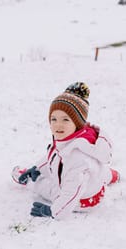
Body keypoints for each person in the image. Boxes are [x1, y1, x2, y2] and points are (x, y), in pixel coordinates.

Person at [12, 82, 119, 220]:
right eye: (54, 119)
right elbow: (54, 157)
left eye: (66, 120)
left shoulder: (78, 159)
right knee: (97, 170)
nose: (58, 125)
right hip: (95, 180)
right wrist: (37, 168)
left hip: (83, 200)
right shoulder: (75, 139)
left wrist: (53, 211)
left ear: (77, 123)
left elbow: (71, 194)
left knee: (50, 188)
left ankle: (32, 181)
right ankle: (112, 175)